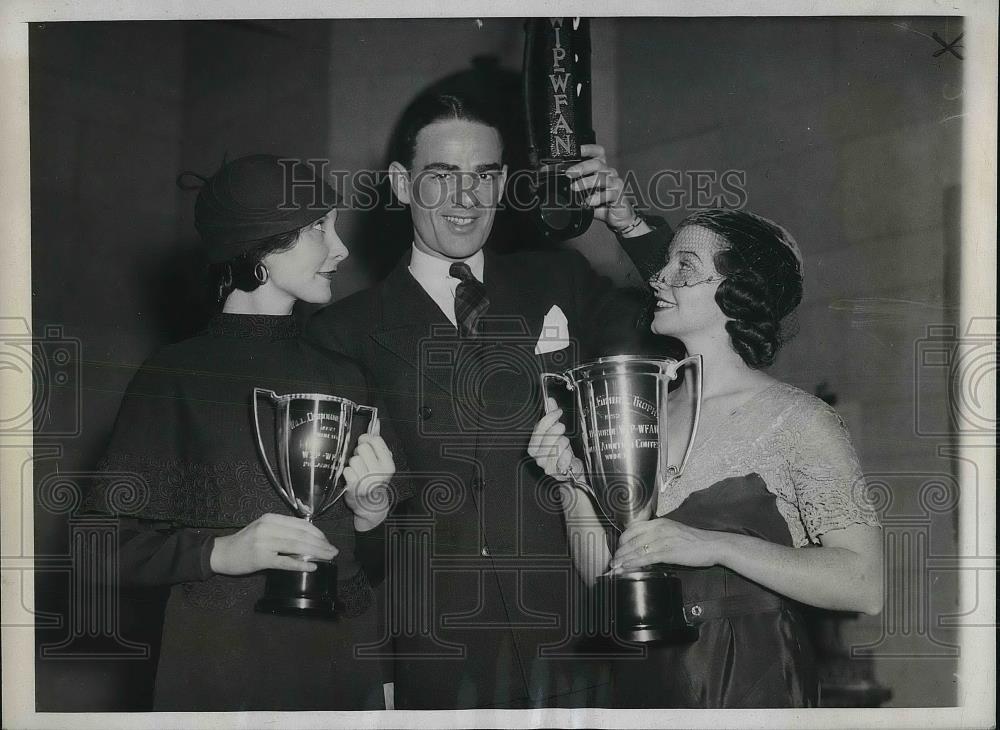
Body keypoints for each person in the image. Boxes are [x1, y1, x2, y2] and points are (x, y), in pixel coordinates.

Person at [304, 92, 673, 709]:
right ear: (400, 184)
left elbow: (682, 330)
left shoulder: (561, 279)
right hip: (435, 653)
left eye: (485, 177)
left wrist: (630, 224)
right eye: (441, 178)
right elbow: (338, 521)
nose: (467, 199)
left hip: (576, 638)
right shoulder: (341, 332)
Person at [528, 208, 884, 708]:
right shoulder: (641, 413)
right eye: (665, 262)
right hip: (650, 683)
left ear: (739, 291)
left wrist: (713, 544)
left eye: (685, 265)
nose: (658, 276)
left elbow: (864, 585)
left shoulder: (798, 420)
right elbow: (607, 579)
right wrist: (570, 485)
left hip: (753, 681)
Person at [83, 154, 398, 711]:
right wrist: (221, 552)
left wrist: (371, 517)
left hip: (339, 670)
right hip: (218, 672)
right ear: (259, 244)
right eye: (317, 228)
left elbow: (360, 562)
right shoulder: (175, 376)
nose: (341, 248)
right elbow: (97, 547)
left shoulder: (346, 376)